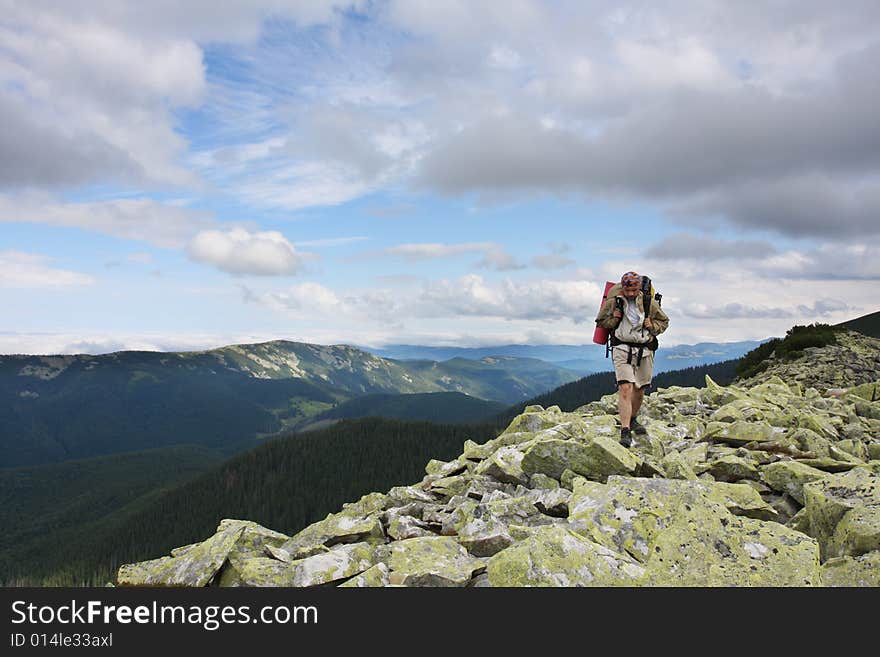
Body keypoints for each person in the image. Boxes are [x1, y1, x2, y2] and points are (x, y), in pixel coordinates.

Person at [594, 271, 670, 447]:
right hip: (622, 347)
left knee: (640, 389)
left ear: (638, 289)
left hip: (645, 348)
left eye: (633, 290)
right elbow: (600, 321)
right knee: (625, 388)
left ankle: (633, 418)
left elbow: (664, 322)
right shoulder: (615, 301)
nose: (630, 294)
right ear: (623, 288)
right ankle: (625, 430)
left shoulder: (648, 302)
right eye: (627, 290)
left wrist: (654, 326)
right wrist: (614, 319)